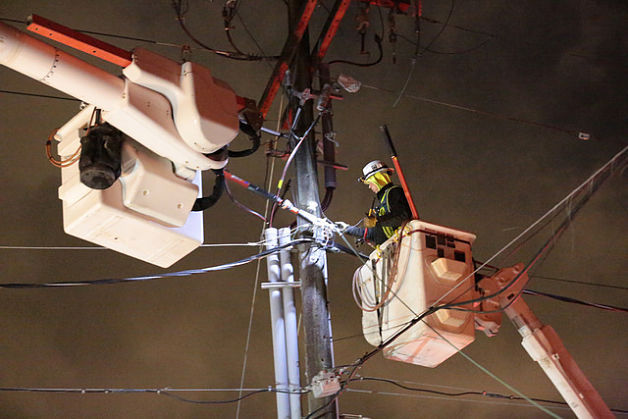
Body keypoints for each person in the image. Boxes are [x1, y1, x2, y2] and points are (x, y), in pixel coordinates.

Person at [337, 160, 412, 246]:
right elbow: (372, 233)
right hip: (394, 250)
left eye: (370, 183)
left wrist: (376, 221)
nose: (369, 187)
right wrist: (347, 229)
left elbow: (402, 216)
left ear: (377, 179)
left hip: (406, 245)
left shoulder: (394, 192)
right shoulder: (382, 202)